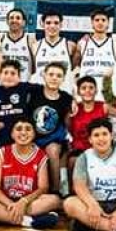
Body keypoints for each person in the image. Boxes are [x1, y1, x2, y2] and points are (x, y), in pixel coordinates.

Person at [0, 117, 61, 229]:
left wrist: (23, 201)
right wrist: (11, 205)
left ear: (34, 134)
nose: (23, 132)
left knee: (54, 200)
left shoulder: (40, 155)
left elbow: (43, 188)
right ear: (12, 134)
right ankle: (28, 221)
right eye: (18, 129)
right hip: (5, 201)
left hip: (29, 203)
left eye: (28, 129)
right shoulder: (3, 152)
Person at [28, 62, 74, 194]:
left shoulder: (66, 98)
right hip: (32, 137)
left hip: (54, 139)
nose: (54, 78)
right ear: (44, 75)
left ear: (63, 79)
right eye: (51, 74)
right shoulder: (34, 92)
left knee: (52, 150)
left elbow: (67, 122)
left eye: (58, 75)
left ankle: (55, 190)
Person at [31, 10, 79, 95]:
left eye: (56, 23)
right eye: (48, 23)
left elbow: (73, 67)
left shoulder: (70, 46)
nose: (52, 26)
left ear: (61, 25)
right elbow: (33, 70)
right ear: (42, 24)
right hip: (41, 95)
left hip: (64, 95)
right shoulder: (35, 46)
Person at [77, 8, 116, 103]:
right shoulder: (82, 43)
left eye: (103, 20)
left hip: (108, 97)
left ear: (108, 23)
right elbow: (76, 64)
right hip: (86, 97)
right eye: (97, 20)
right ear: (92, 23)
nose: (100, 23)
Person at [68, 76, 108, 173]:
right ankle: (71, 188)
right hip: (79, 149)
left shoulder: (103, 106)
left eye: (91, 88)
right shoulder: (74, 108)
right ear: (78, 91)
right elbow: (67, 128)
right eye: (83, 88)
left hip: (99, 147)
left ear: (96, 90)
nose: (87, 91)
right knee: (73, 161)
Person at [0, 8, 36, 83]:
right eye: (11, 18)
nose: (14, 20)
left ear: (23, 22)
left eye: (18, 18)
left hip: (23, 85)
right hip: (4, 85)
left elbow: (35, 67)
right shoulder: (0, 39)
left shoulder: (31, 40)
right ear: (7, 21)